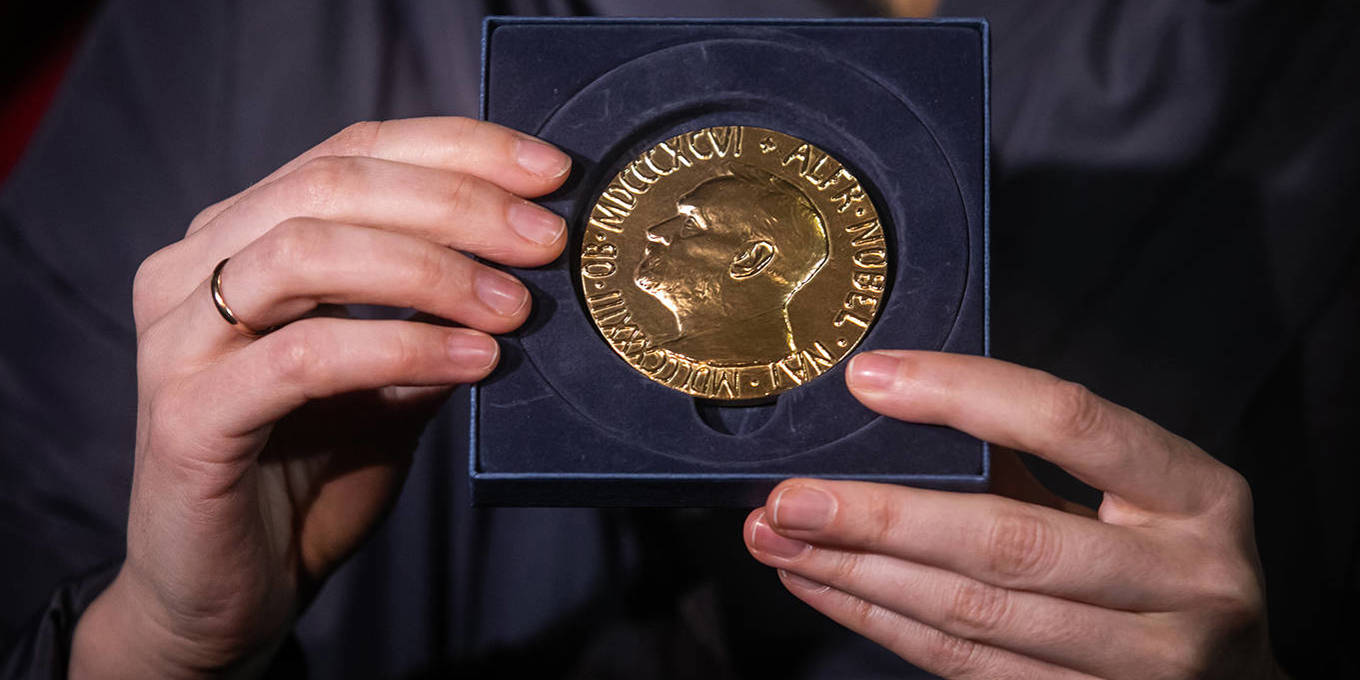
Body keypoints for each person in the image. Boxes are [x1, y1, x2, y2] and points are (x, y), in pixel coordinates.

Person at [1, 0, 1355, 678]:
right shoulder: (254, 41)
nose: (680, 246)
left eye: (710, 236)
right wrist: (153, 647)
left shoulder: (1310, 108)